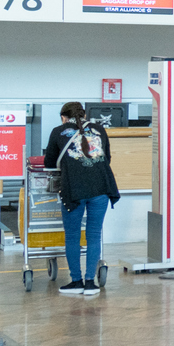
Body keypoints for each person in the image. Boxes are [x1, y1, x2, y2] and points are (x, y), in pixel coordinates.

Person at [44, 101, 119, 296]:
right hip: (101, 187)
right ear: (85, 115)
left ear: (63, 117)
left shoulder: (58, 131)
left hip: (73, 190)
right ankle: (90, 283)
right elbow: (107, 158)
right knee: (94, 235)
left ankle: (76, 281)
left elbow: (49, 163)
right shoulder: (99, 129)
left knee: (72, 236)